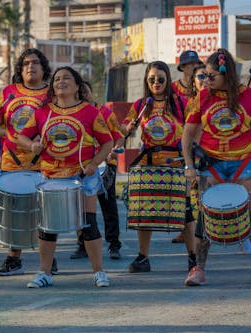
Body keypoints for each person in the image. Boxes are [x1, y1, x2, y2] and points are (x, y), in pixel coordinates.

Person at [181, 48, 251, 286]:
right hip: (211, 165)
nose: (205, 80)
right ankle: (199, 269)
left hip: (244, 163)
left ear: (226, 73)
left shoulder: (249, 95)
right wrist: (189, 165)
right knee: (204, 216)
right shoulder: (201, 98)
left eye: (211, 76)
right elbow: (187, 136)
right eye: (204, 76)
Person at [18, 66, 113, 288]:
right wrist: (32, 144)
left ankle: (99, 272)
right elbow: (21, 137)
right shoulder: (43, 112)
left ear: (77, 86)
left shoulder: (90, 111)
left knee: (88, 224)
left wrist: (93, 164)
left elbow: (107, 141)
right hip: (51, 177)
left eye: (67, 78)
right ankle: (45, 273)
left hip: (83, 177)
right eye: (57, 79)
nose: (61, 81)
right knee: (47, 228)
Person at [121, 60, 197, 274]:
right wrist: (129, 127)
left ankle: (193, 257)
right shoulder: (140, 105)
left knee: (186, 212)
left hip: (175, 164)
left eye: (161, 79)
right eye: (152, 79)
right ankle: (143, 257)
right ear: (147, 80)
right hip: (147, 165)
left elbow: (195, 128)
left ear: (168, 80)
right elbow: (125, 127)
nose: (156, 82)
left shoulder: (181, 104)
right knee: (144, 213)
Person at [0, 48, 56, 276]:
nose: (31, 66)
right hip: (12, 161)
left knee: (43, 212)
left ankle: (48, 258)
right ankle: (14, 258)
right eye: (26, 63)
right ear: (20, 69)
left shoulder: (51, 94)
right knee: (15, 211)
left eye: (36, 62)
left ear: (44, 68)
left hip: (43, 162)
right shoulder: (9, 92)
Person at [69, 81, 124, 260]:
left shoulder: (105, 113)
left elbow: (118, 138)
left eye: (86, 91)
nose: (84, 95)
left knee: (108, 205)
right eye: (80, 92)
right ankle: (83, 244)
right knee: (80, 206)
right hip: (82, 166)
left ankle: (114, 244)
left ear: (92, 93)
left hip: (105, 165)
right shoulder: (73, 114)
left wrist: (111, 152)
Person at [171, 50, 203, 244]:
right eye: (189, 64)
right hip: (179, 142)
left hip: (200, 142)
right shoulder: (173, 89)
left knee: (199, 188)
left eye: (195, 63)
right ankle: (185, 230)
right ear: (182, 67)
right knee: (183, 190)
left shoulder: (204, 85)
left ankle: (203, 229)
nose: (192, 67)